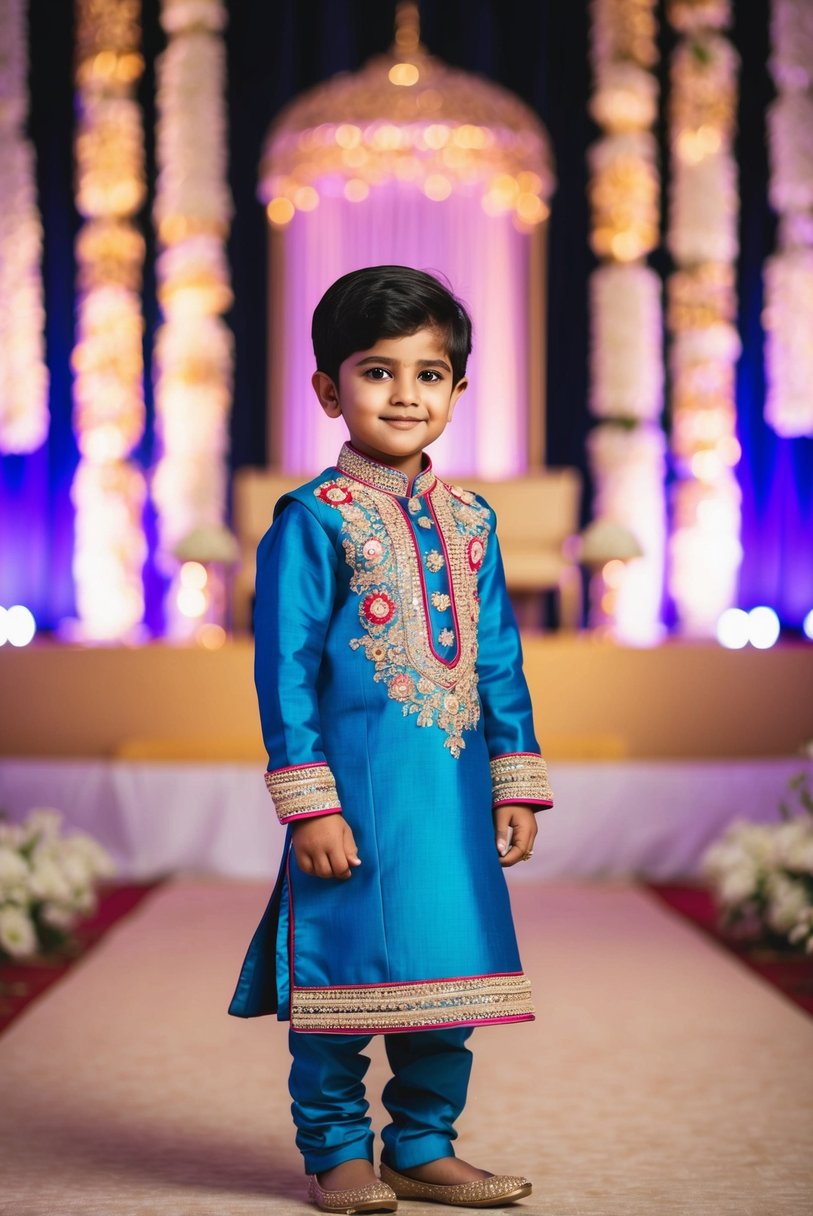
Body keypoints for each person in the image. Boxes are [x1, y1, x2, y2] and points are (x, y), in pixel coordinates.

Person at [229, 265, 554, 1214]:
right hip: (356, 803)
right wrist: (308, 803)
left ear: (457, 389)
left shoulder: (472, 522)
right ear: (329, 389)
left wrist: (515, 781)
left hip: (449, 802)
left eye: (430, 373)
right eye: (378, 372)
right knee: (342, 975)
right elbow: (282, 672)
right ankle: (336, 1150)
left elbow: (497, 662)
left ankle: (422, 1141)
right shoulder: (311, 521)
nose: (406, 394)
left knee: (445, 972)